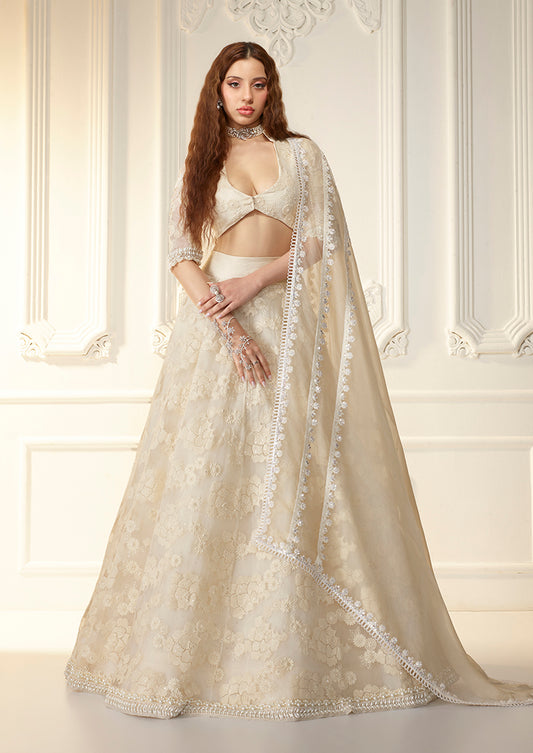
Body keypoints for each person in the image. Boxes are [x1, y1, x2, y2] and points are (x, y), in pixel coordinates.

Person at [64, 41, 533, 719]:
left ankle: (300, 646)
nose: (246, 96)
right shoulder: (202, 161)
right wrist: (227, 326)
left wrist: (256, 280)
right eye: (234, 83)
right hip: (213, 326)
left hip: (285, 320)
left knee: (296, 467)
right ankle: (187, 652)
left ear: (271, 90)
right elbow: (180, 253)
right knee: (207, 472)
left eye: (258, 84)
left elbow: (322, 242)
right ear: (217, 90)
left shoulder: (301, 156)